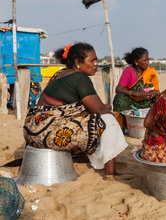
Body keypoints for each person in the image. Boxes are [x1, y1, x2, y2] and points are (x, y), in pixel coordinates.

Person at [23, 42, 128, 180]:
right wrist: (105, 109)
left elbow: (75, 105)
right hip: (46, 131)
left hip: (32, 129)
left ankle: (84, 157)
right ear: (78, 62)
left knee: (91, 117)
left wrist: (100, 107)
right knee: (109, 120)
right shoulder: (80, 78)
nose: (96, 64)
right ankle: (110, 173)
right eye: (92, 60)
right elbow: (98, 109)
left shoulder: (61, 73)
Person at [113, 47, 159, 129]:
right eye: (144, 60)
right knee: (119, 97)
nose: (147, 62)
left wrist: (153, 93)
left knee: (159, 100)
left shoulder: (151, 72)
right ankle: (122, 126)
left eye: (148, 60)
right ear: (136, 62)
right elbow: (118, 89)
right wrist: (137, 94)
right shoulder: (129, 71)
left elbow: (157, 91)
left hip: (146, 102)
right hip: (131, 103)